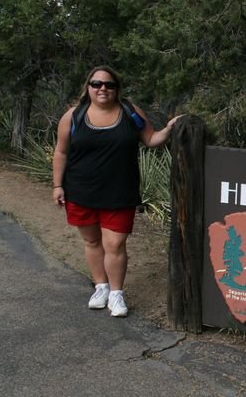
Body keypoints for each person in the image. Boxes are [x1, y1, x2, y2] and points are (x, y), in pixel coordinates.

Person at [52, 65, 182, 317]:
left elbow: (151, 139)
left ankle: (116, 293)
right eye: (97, 84)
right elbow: (61, 151)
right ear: (88, 87)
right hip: (80, 190)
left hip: (119, 192)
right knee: (91, 240)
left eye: (109, 85)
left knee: (115, 243)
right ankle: (100, 287)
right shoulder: (74, 116)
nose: (103, 88)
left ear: (117, 89)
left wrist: (167, 130)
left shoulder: (130, 113)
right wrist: (58, 185)